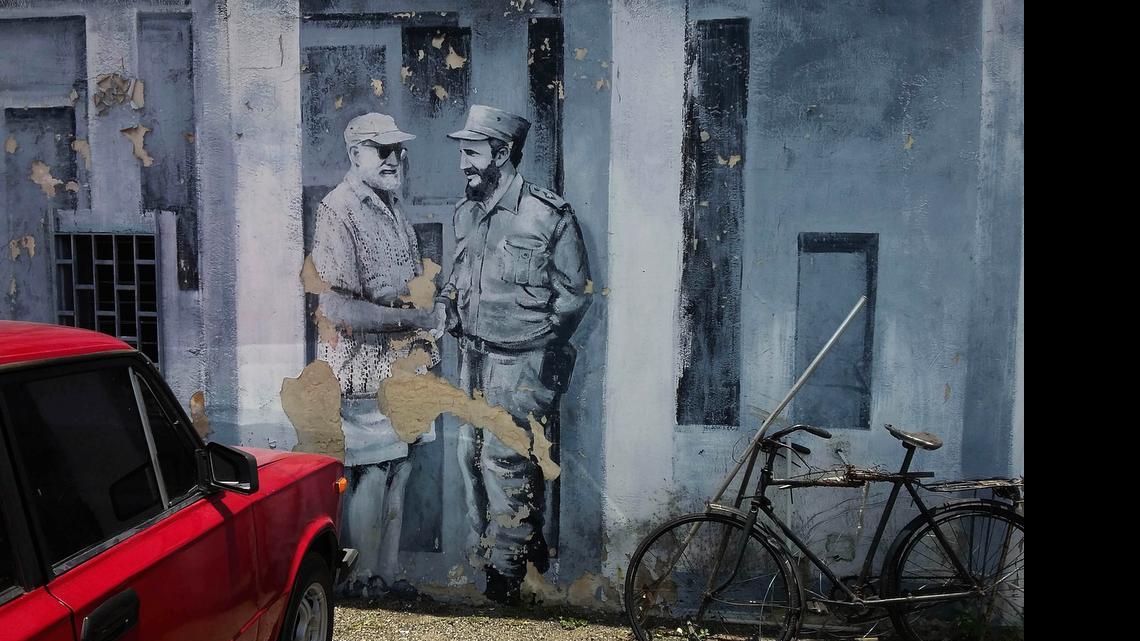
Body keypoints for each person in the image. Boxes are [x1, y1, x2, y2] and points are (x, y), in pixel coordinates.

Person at [436, 104, 592, 604]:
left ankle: (505, 574)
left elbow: (574, 295)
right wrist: (446, 306)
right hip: (473, 359)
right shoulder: (466, 212)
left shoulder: (549, 216)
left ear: (502, 153)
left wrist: (533, 344)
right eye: (461, 152)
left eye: (472, 152)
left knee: (505, 463)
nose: (463, 163)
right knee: (470, 457)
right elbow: (456, 279)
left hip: (521, 362)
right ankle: (508, 547)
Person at [307, 112, 445, 596]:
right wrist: (413, 318)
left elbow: (402, 292)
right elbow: (339, 307)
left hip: (402, 368)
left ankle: (383, 583)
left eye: (398, 149)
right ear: (354, 155)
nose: (393, 158)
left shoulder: (391, 207)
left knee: (400, 469)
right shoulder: (338, 209)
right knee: (371, 471)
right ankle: (363, 586)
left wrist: (431, 306)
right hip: (362, 369)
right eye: (380, 149)